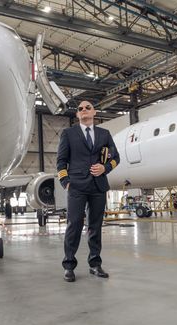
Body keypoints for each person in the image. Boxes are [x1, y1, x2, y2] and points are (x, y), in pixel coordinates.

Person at [56, 101, 119, 282]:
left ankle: (95, 264)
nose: (84, 110)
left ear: (94, 112)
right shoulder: (68, 133)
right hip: (76, 186)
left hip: (98, 186)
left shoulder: (104, 134)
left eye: (87, 107)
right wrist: (65, 182)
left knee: (95, 226)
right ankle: (69, 265)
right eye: (80, 109)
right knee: (74, 225)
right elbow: (61, 160)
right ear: (77, 115)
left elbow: (116, 157)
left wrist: (105, 168)